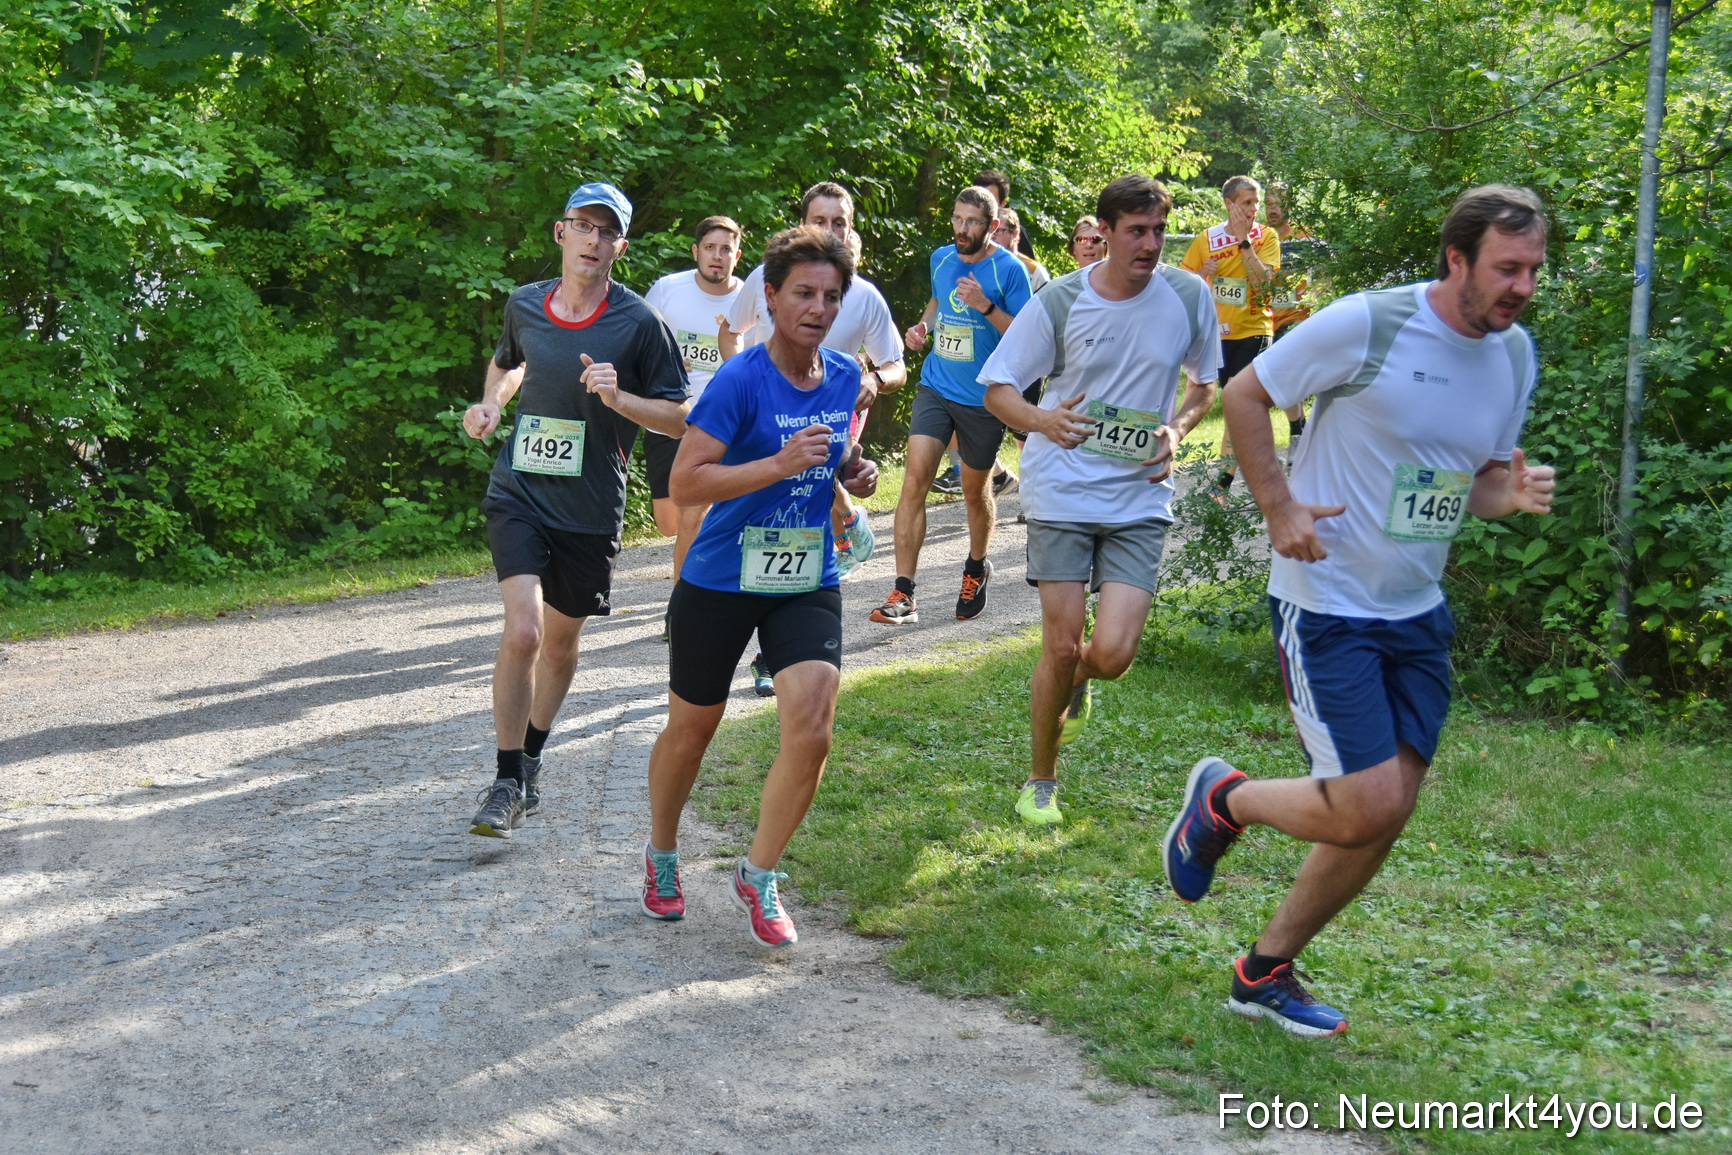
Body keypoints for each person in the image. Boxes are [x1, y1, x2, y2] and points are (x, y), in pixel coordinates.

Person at [1160, 184, 1556, 1037]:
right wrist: (1278, 507)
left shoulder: (1515, 355)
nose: (1523, 285)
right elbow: (1245, 395)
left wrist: (1508, 492)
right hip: (1327, 598)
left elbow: (1478, 482)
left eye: (1533, 269)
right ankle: (1224, 798)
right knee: (1370, 802)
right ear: (1458, 258)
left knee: (1388, 808)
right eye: (1507, 267)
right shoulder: (1371, 323)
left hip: (1417, 606)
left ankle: (1263, 971)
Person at [641, 225, 880, 948]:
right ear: (770, 297)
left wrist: (852, 471)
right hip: (720, 575)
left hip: (805, 570)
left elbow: (834, 454)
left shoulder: (842, 376)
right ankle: (661, 854)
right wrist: (776, 465)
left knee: (812, 725)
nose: (817, 307)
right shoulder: (740, 378)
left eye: (831, 297)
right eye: (803, 293)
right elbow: (686, 481)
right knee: (692, 730)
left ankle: (759, 871)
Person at [981, 175, 1220, 826]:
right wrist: (1042, 420)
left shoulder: (1188, 296)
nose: (1148, 244)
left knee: (1109, 653)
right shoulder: (1061, 300)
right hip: (1061, 486)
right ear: (1106, 233)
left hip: (1140, 494)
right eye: (1135, 231)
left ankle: (1081, 680)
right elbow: (997, 389)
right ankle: (1040, 780)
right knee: (1060, 645)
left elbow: (1204, 384)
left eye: (1158, 231)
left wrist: (1177, 426)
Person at [462, 182, 692, 838]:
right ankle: (506, 777)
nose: (593, 240)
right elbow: (508, 362)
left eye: (606, 231)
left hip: (590, 508)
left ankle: (532, 758)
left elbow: (679, 418)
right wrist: (493, 405)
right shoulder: (525, 304)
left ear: (621, 245)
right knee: (526, 632)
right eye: (582, 227)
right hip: (520, 491)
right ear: (560, 233)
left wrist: (622, 402)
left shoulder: (640, 324)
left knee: (560, 643)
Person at [720, 182, 907, 692]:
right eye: (819, 221)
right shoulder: (764, 278)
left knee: (792, 521)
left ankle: (772, 652)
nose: (830, 231)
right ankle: (847, 516)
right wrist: (735, 381)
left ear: (852, 230)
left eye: (840, 223)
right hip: (760, 418)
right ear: (802, 225)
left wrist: (872, 380)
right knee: (754, 516)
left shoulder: (864, 297)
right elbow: (730, 329)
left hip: (831, 418)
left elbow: (896, 366)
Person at [872, 186, 1033, 626]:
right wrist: (922, 326)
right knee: (915, 480)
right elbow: (939, 300)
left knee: (974, 492)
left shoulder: (1009, 271)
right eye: (958, 220)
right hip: (936, 387)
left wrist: (985, 306)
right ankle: (904, 592)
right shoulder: (941, 258)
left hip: (984, 399)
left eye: (973, 222)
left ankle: (977, 567)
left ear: (993, 226)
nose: (963, 229)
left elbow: (1026, 335)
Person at [642, 216, 746, 595]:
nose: (717, 256)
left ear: (737, 254)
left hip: (720, 422)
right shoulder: (668, 290)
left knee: (693, 514)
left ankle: (682, 605)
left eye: (725, 249)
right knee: (669, 521)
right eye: (709, 248)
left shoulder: (750, 299)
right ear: (696, 251)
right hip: (669, 417)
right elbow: (639, 340)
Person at [1178, 176, 1282, 497]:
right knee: (1196, 399)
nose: (1254, 209)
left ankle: (1220, 487)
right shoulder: (1207, 238)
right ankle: (1160, 457)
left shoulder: (1266, 236)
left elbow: (1265, 283)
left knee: (1238, 406)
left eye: (1256, 202)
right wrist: (1202, 273)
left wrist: (1244, 242)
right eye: (1247, 202)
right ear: (1229, 204)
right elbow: (1183, 286)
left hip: (1254, 332)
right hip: (1216, 335)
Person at [1264, 183, 1315, 458]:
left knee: (1283, 373)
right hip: (1264, 318)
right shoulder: (1259, 235)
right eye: (1268, 203)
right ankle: (1299, 425)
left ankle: (1298, 429)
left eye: (1278, 203)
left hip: (1295, 316)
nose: (1272, 209)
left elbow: (1322, 274)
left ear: (1290, 206)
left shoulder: (1304, 236)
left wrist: (1314, 302)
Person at [974, 168, 1038, 260]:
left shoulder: (1013, 231)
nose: (983, 204)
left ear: (1003, 203)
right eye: (979, 198)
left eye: (990, 200)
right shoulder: (964, 227)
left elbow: (1028, 270)